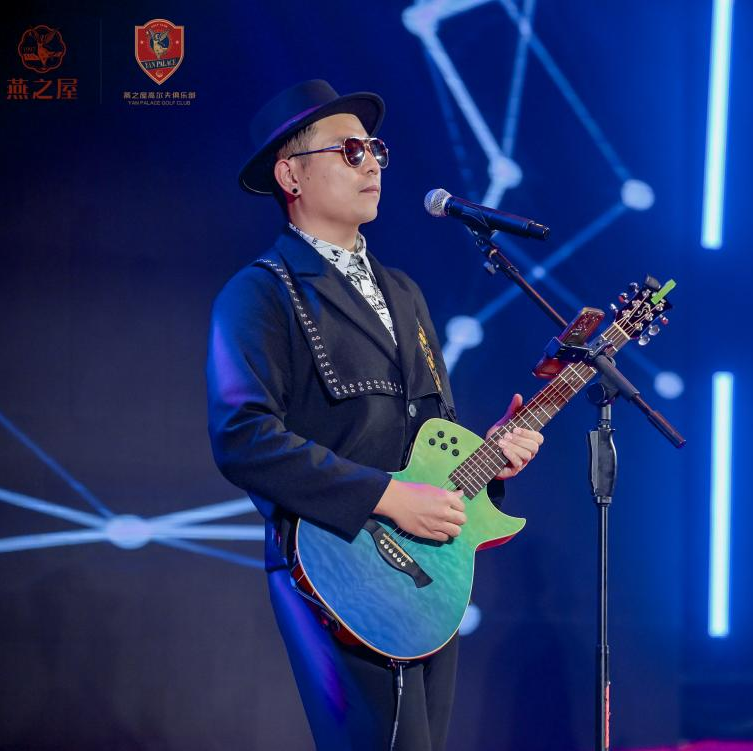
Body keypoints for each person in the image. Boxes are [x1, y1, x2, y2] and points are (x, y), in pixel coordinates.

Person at [206, 79, 543, 750]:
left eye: (375, 150)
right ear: (290, 175)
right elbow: (242, 436)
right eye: (349, 150)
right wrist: (387, 497)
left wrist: (491, 458)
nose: (372, 163)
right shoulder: (261, 293)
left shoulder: (404, 292)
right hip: (338, 568)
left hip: (427, 571)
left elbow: (429, 439)